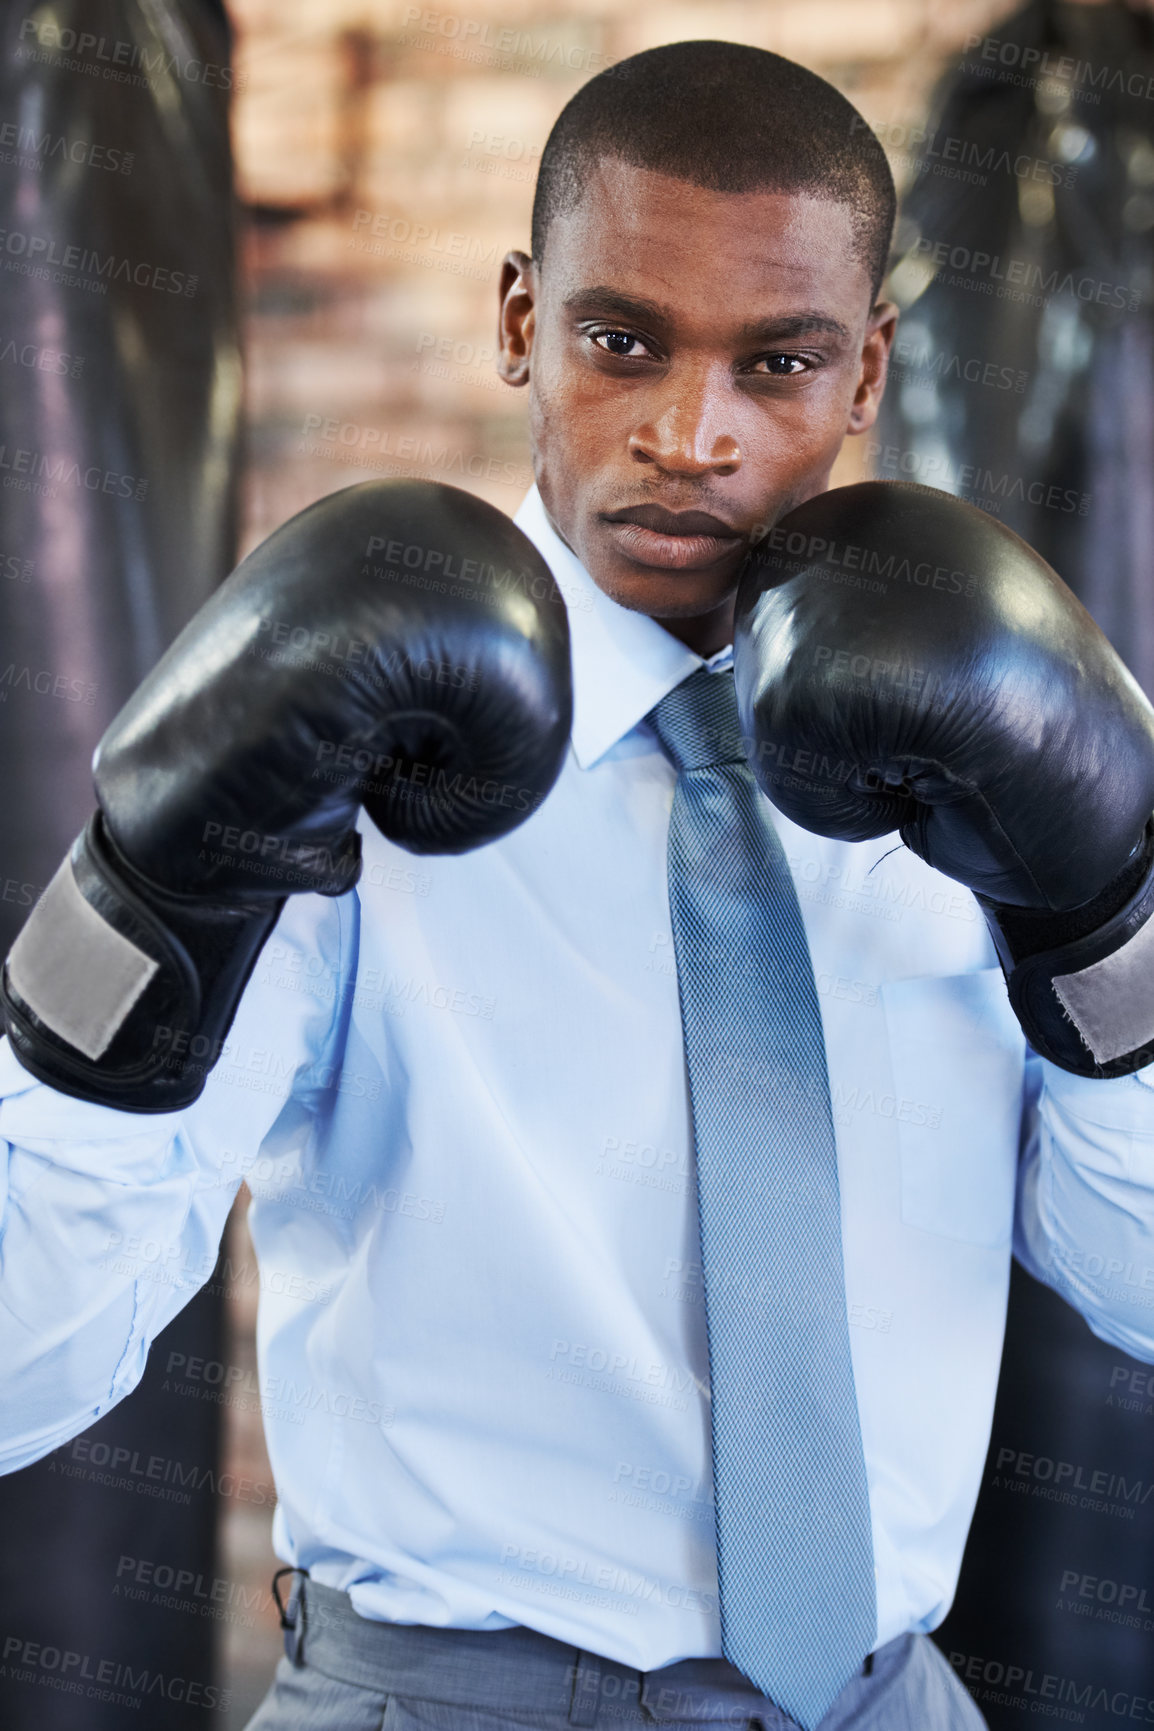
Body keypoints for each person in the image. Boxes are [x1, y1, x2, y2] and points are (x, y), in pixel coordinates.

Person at [3, 38, 1154, 1731]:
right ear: (521, 320)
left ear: (867, 371)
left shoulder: (999, 736)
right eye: (624, 341)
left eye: (778, 361)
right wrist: (138, 901)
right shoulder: (348, 760)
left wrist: (1104, 928)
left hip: (887, 1699)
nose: (694, 434)